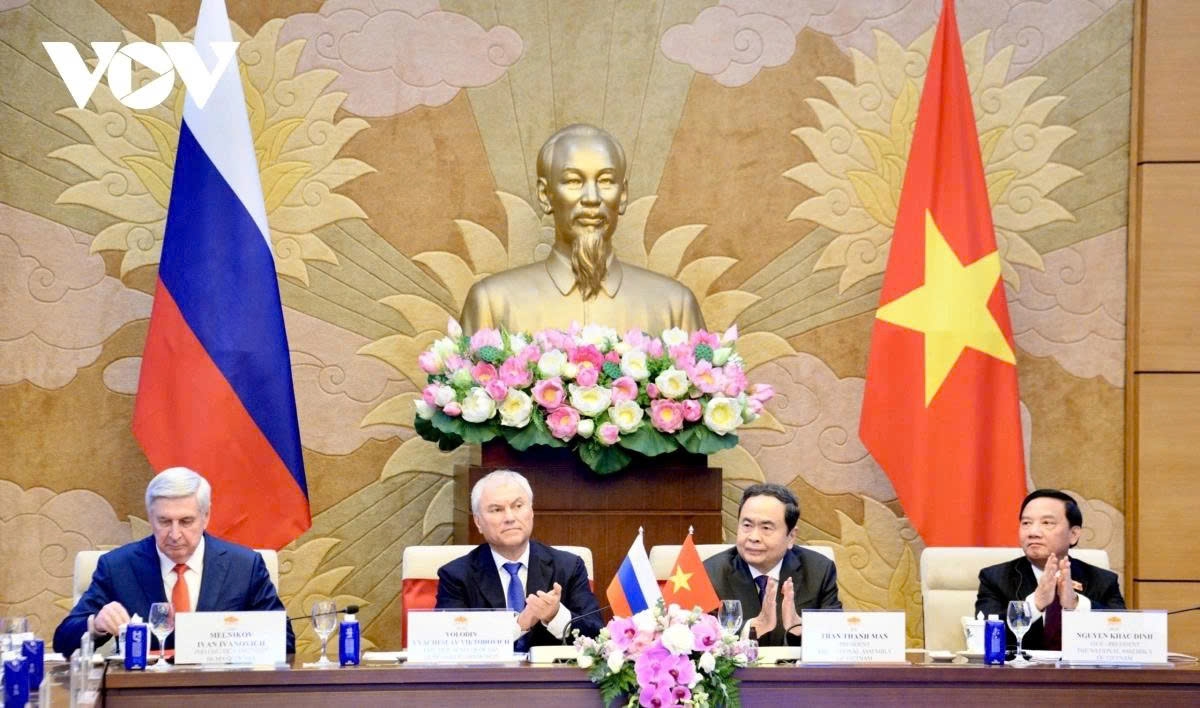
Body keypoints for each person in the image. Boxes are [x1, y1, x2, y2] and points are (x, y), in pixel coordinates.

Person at [459, 124, 704, 335]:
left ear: (623, 195)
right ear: (545, 195)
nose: (592, 198)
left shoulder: (675, 307)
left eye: (606, 181)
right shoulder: (492, 304)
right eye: (574, 181)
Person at [53, 467, 294, 655]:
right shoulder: (117, 567)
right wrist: (96, 625)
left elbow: (285, 641)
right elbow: (63, 641)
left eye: (186, 521)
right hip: (143, 693)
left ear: (206, 516)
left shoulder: (244, 566)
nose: (175, 534)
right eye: (165, 522)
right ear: (151, 518)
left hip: (221, 691)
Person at [435, 469, 602, 648]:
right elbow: (449, 643)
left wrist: (555, 615)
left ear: (531, 511)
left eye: (518, 506)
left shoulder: (568, 567)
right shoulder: (456, 576)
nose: (510, 517)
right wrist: (520, 624)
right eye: (496, 509)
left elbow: (597, 635)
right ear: (478, 522)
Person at [975, 489, 1126, 651]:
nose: (1033, 532)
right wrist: (1034, 604)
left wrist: (1076, 605)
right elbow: (983, 637)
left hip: (1080, 668)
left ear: (1073, 534)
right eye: (1026, 523)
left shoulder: (1103, 581)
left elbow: (1123, 636)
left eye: (1047, 523)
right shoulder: (995, 578)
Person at [704, 483, 841, 646]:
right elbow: (699, 640)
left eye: (766, 528)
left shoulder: (818, 571)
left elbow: (835, 641)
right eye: (747, 525)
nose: (753, 537)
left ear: (791, 536)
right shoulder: (709, 573)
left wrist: (800, 630)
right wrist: (752, 628)